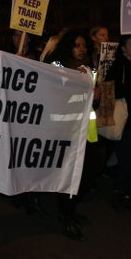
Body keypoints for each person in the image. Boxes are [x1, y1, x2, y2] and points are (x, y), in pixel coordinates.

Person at [43, 29, 101, 242]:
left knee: (88, 176)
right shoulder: (57, 66)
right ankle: (67, 216)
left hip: (86, 132)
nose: (81, 49)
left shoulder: (88, 69)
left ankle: (70, 209)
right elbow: (50, 90)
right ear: (68, 46)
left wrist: (96, 96)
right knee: (68, 176)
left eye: (84, 45)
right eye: (77, 45)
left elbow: (93, 100)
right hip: (64, 130)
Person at [105, 34, 131, 212]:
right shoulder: (118, 66)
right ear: (123, 48)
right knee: (130, 158)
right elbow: (110, 90)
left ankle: (129, 191)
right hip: (123, 120)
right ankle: (120, 191)